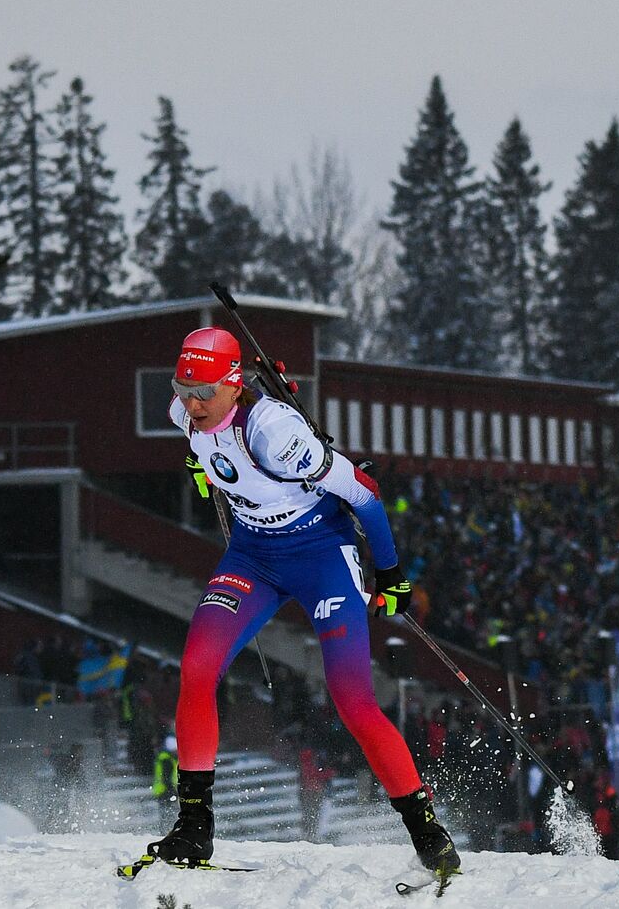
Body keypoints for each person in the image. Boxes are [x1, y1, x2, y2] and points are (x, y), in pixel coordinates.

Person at [149, 326, 459, 877]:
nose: (190, 402)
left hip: (319, 555)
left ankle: (426, 831)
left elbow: (363, 492)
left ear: (234, 382)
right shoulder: (183, 413)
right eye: (182, 387)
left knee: (352, 701)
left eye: (203, 391)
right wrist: (206, 470)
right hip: (252, 558)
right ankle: (194, 827)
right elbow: (211, 454)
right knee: (196, 669)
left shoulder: (273, 431)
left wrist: (389, 573)